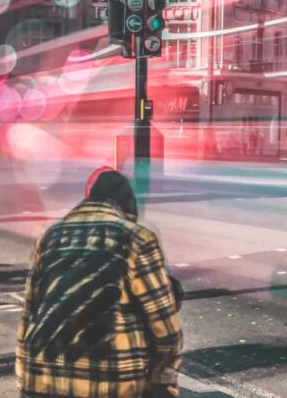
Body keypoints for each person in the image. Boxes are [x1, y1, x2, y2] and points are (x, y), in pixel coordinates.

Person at [16, 168, 183, 398]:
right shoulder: (138, 238)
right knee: (161, 296)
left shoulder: (49, 237)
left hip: (41, 377)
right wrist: (163, 383)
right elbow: (164, 327)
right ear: (127, 209)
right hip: (109, 380)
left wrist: (23, 373)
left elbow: (30, 312)